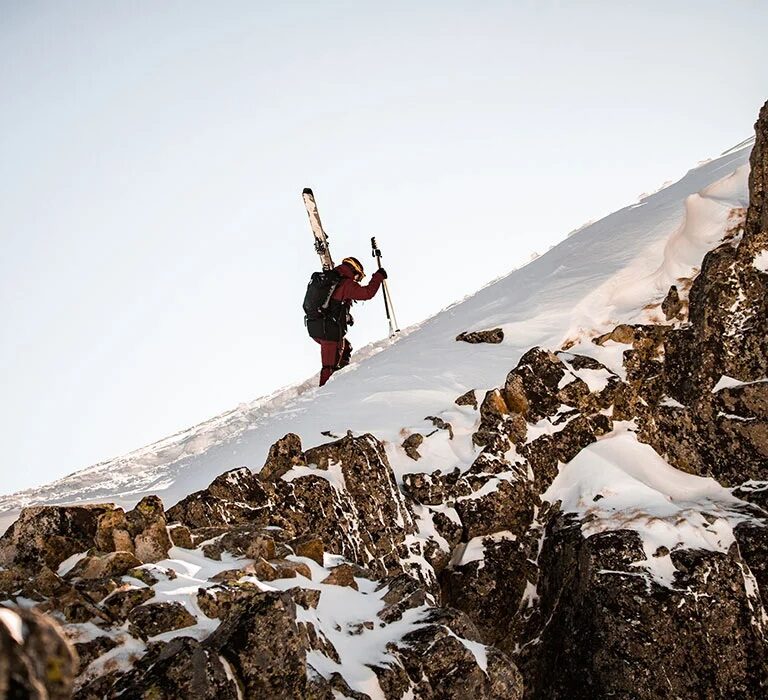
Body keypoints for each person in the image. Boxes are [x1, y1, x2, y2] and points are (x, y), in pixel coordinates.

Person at [314, 256, 387, 386]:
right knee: (329, 366)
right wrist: (378, 277)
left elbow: (334, 304)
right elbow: (367, 293)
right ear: (354, 270)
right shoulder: (346, 284)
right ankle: (325, 393)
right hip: (328, 331)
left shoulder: (332, 279)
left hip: (317, 326)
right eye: (358, 277)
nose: (357, 280)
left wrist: (346, 317)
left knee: (345, 348)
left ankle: (342, 379)